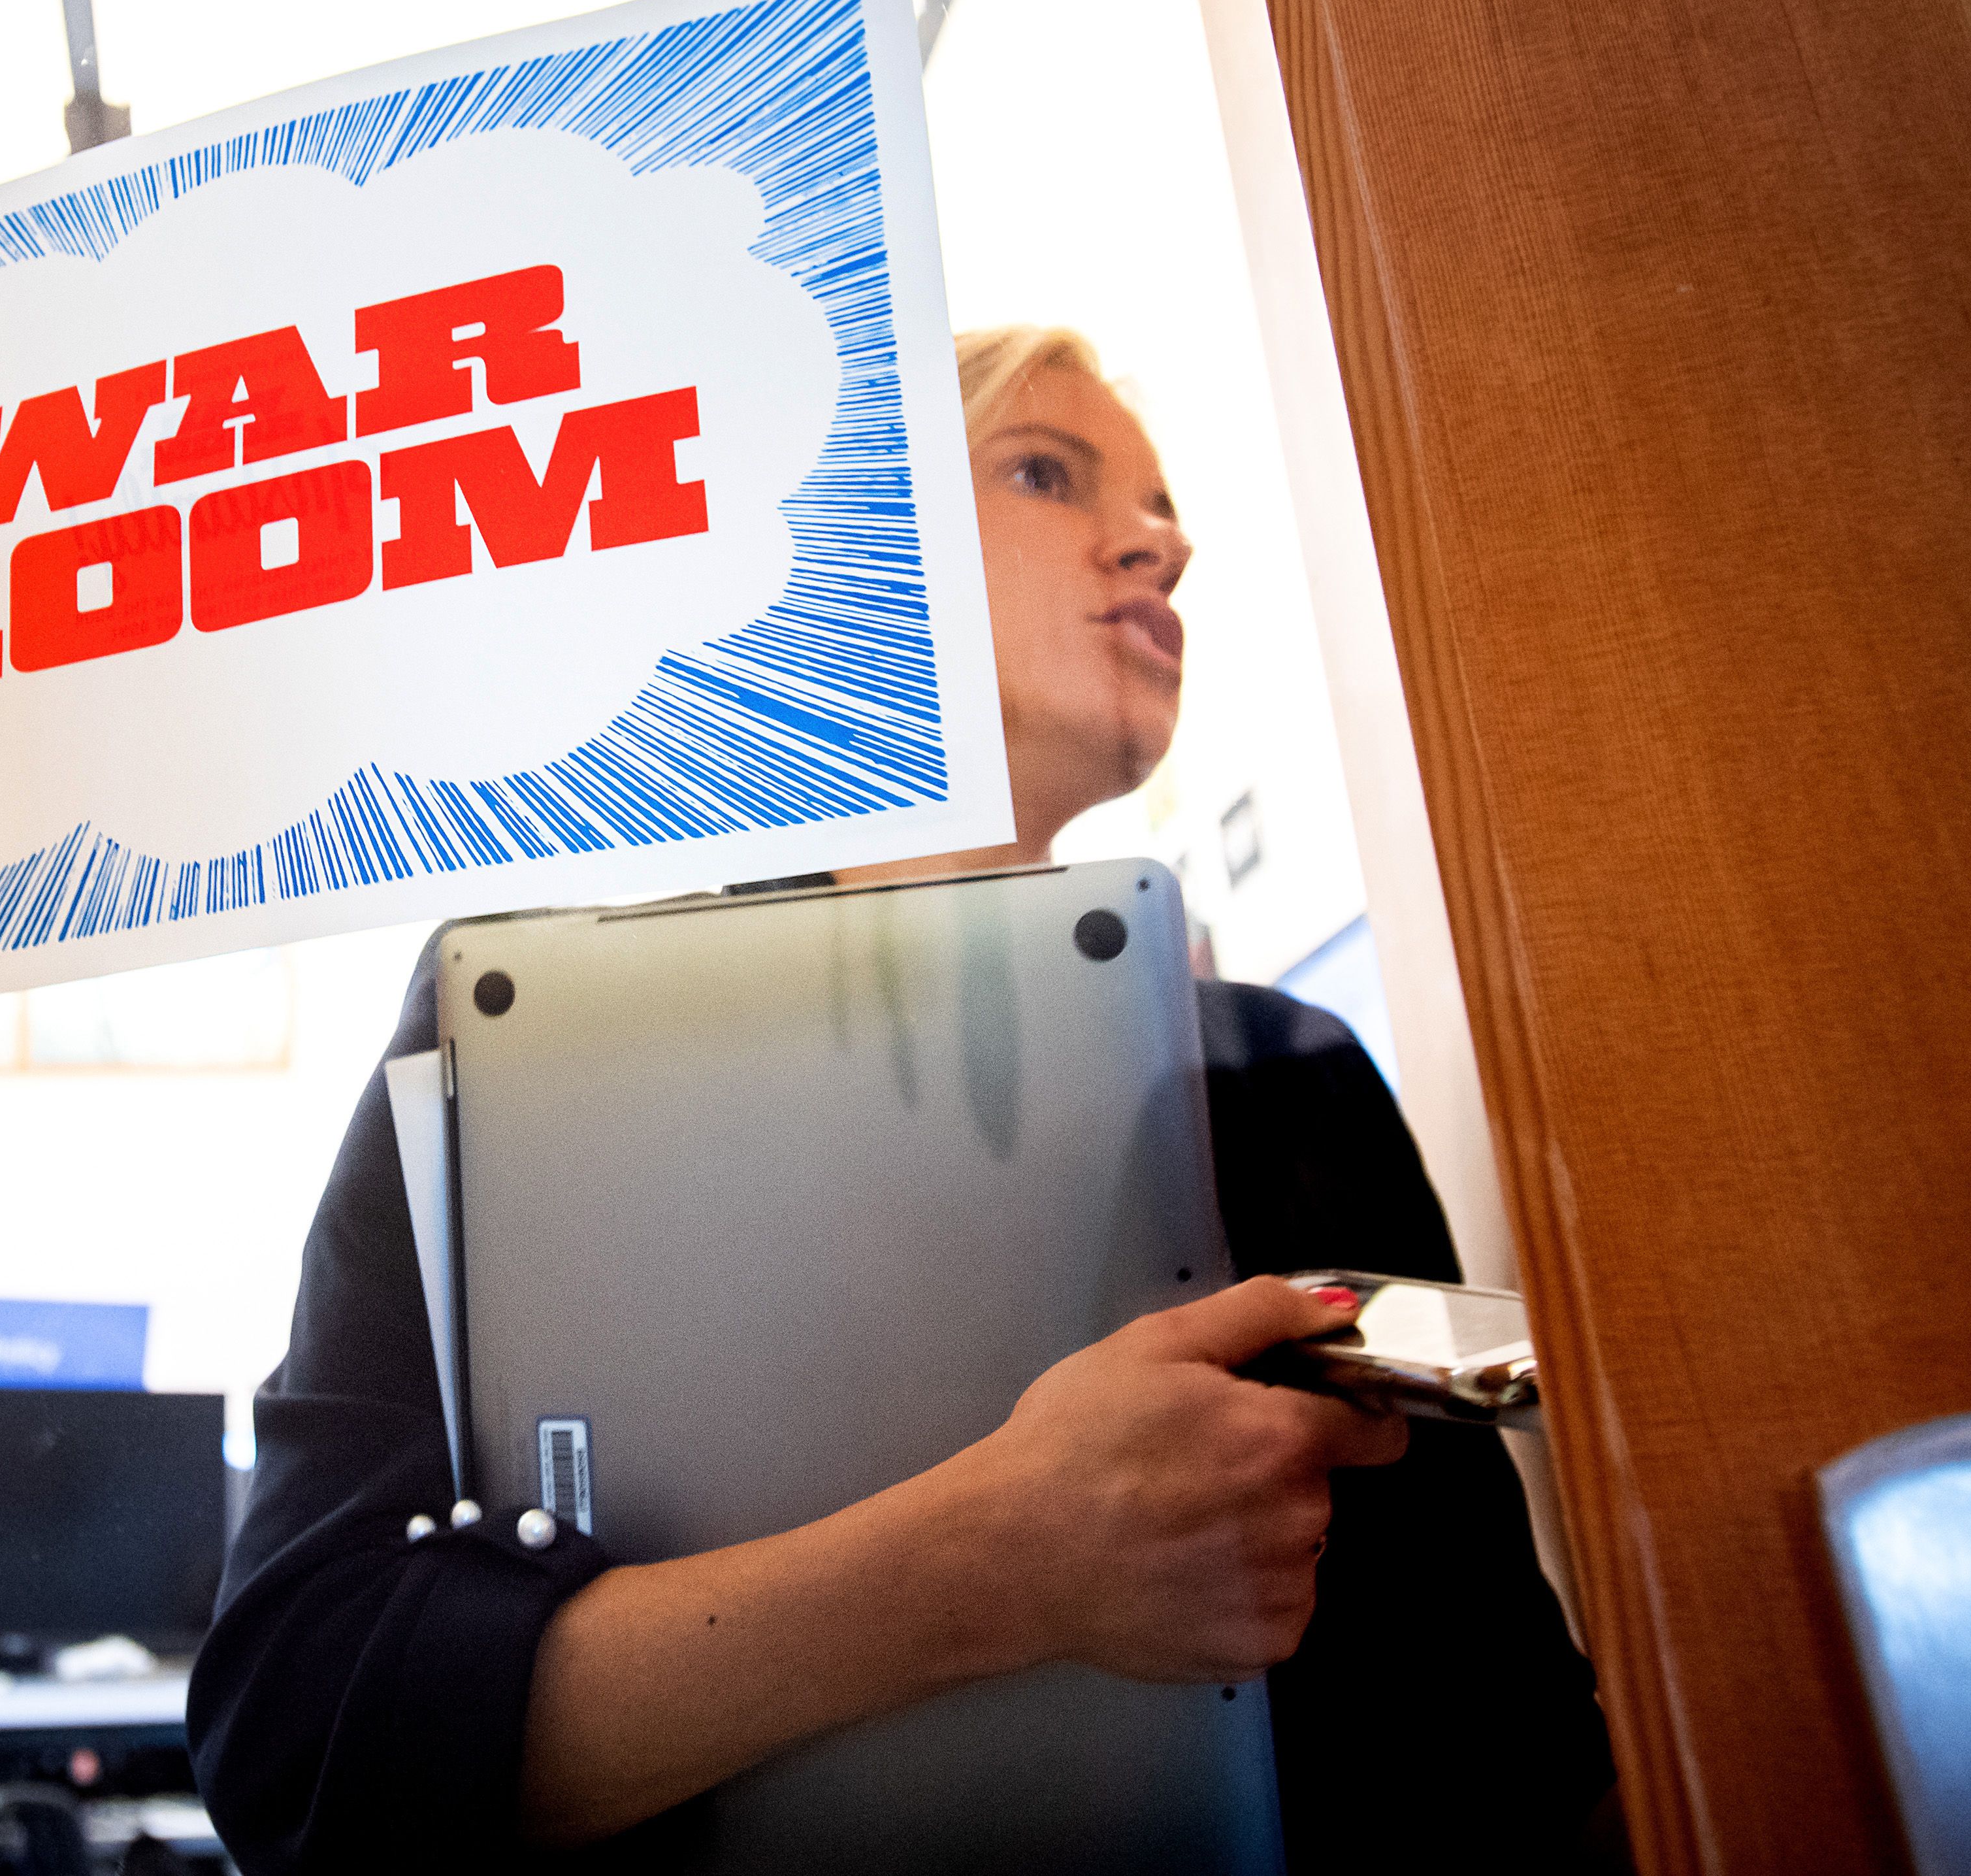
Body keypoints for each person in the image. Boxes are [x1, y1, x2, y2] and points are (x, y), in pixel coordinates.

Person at [188, 327, 1620, 1872]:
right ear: (855, 554)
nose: (1161, 543)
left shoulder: (1285, 1076)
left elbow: (1513, 1744)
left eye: (1159, 507)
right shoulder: (523, 1034)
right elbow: (301, 1737)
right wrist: (1001, 1563)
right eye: (1044, 471)